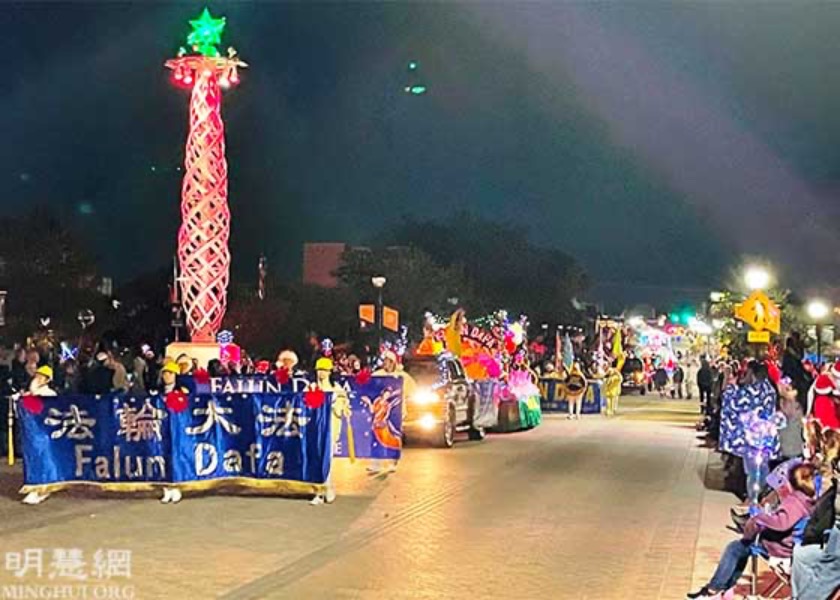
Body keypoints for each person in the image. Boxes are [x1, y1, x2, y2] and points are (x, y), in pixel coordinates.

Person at [688, 463, 818, 599]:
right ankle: (725, 588)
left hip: (781, 549)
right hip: (787, 546)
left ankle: (714, 590)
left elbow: (781, 523)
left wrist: (760, 517)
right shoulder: (807, 499)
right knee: (741, 548)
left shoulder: (794, 502)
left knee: (735, 548)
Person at [309, 357, 350, 505]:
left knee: (328, 460)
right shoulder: (312, 387)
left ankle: (326, 490)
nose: (321, 373)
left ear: (330, 372)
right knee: (316, 460)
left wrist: (334, 402)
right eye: (319, 370)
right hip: (315, 430)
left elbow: (342, 408)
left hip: (331, 429)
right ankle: (319, 492)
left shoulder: (336, 389)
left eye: (325, 370)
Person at [370, 350, 415, 474]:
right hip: (380, 414)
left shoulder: (402, 377)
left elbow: (412, 391)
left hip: (396, 413)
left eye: (389, 361)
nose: (387, 364)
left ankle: (392, 462)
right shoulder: (377, 375)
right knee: (376, 437)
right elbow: (369, 389)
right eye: (385, 361)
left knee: (393, 438)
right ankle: (376, 464)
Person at [159, 361, 184, 504]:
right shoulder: (158, 390)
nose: (166, 376)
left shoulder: (182, 390)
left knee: (175, 457)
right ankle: (165, 489)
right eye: (164, 373)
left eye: (169, 373)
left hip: (176, 429)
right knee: (162, 457)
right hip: (161, 428)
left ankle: (176, 488)